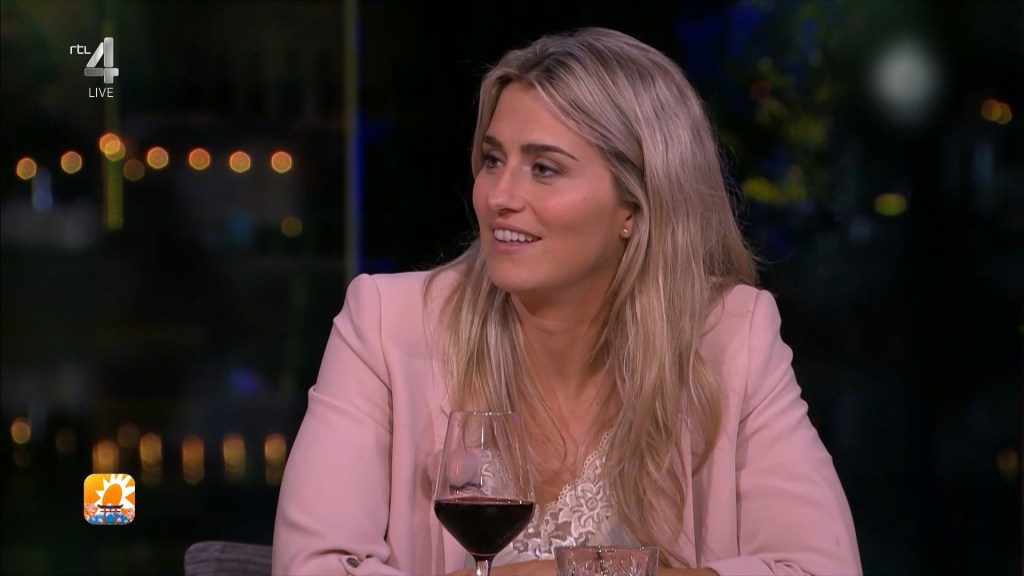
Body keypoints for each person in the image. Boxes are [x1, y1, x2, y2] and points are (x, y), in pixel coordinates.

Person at [272, 27, 861, 576]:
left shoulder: (732, 336)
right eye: (493, 160)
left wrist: (577, 570)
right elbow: (313, 566)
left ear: (635, 205)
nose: (498, 196)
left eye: (544, 169)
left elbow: (819, 568)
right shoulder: (386, 323)